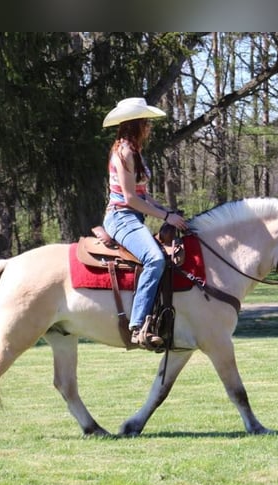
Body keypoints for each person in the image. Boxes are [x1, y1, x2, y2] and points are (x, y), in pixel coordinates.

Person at [102, 97, 188, 350]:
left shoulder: (135, 152)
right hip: (121, 217)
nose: (150, 127)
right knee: (156, 259)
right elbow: (129, 199)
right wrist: (165, 217)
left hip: (133, 216)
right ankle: (138, 325)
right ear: (136, 124)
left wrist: (165, 210)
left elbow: (142, 195)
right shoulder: (125, 153)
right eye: (147, 122)